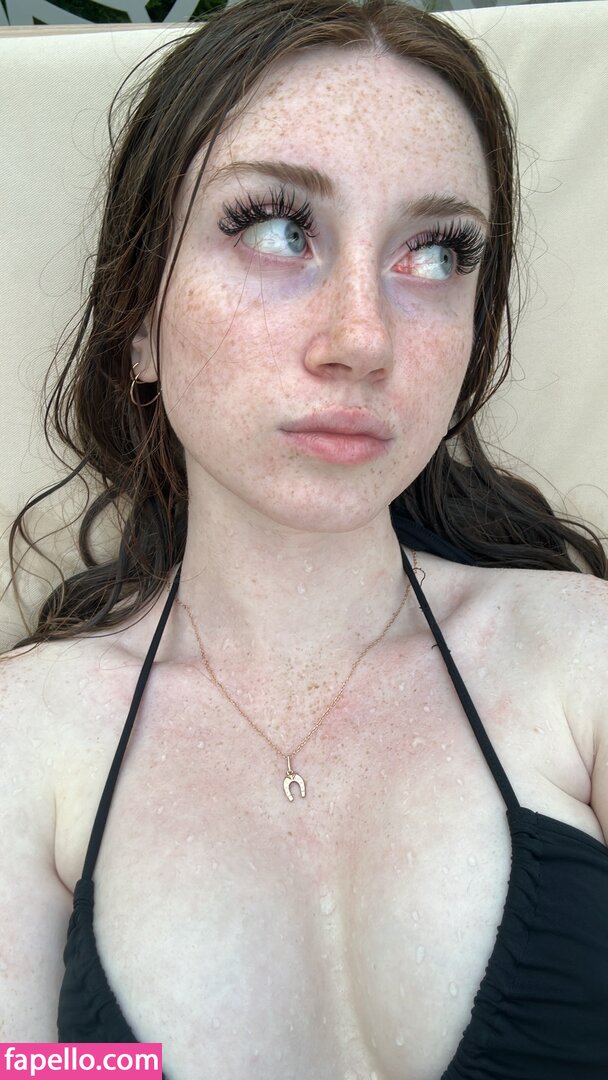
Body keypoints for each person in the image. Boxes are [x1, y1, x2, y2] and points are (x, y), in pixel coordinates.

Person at [0, 0, 607, 1076]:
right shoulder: (25, 743)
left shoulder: (585, 661)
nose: (362, 340)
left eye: (435, 252)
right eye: (277, 230)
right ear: (138, 322)